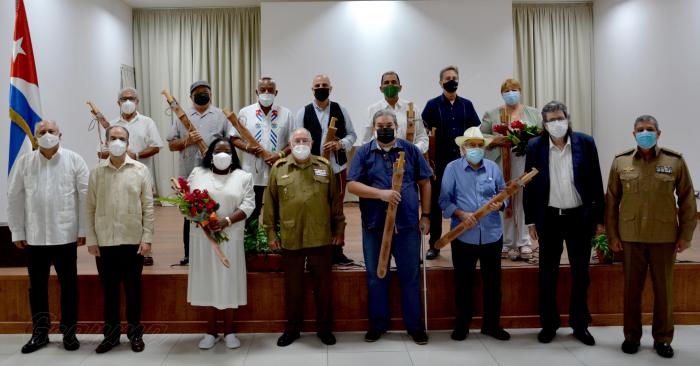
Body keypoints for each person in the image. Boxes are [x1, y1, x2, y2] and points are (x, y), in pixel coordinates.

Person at [605, 115, 696, 359]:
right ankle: (631, 337)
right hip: (630, 237)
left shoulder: (674, 161)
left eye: (650, 129)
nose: (645, 132)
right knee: (631, 291)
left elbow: (687, 199)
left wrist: (686, 235)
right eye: (640, 129)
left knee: (664, 291)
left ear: (659, 133)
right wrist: (612, 235)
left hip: (664, 237)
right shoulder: (620, 162)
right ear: (633, 134)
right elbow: (611, 202)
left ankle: (663, 339)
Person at [347, 109, 432, 345]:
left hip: (406, 226)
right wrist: (380, 194)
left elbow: (425, 182)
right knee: (376, 277)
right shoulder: (364, 152)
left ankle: (414, 326)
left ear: (396, 126)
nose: (385, 128)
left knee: (410, 276)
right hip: (375, 226)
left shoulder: (411, 150)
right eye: (380, 125)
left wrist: (425, 215)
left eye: (389, 124)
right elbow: (353, 185)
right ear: (374, 128)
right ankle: (378, 324)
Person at [523, 101, 604, 346]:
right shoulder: (535, 146)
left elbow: (596, 182)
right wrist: (530, 221)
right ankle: (549, 324)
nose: (556, 124)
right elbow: (529, 185)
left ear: (567, 119)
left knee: (582, 274)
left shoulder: (585, 143)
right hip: (549, 218)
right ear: (544, 124)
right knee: (548, 274)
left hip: (579, 217)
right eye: (550, 120)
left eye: (559, 118)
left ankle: (580, 324)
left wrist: (599, 218)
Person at [7, 120, 88, 353]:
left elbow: (85, 197)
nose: (47, 135)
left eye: (51, 131)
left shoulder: (74, 160)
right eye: (42, 132)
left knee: (69, 286)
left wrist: (82, 230)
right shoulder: (25, 163)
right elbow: (14, 198)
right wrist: (18, 231)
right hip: (35, 237)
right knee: (37, 288)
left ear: (60, 134)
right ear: (34, 137)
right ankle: (40, 333)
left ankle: (69, 333)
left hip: (65, 235)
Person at [263, 128, 346, 347]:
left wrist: (339, 230)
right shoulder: (278, 169)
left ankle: (324, 329)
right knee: (293, 287)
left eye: (305, 140)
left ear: (311, 143)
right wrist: (271, 233)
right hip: (291, 237)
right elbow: (270, 204)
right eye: (297, 140)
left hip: (321, 236)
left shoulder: (324, 167)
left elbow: (335, 203)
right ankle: (292, 329)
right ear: (290, 144)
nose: (301, 143)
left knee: (323, 287)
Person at [86, 125, 154, 353]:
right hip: (105, 242)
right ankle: (111, 336)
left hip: (133, 241)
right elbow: (90, 208)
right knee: (110, 292)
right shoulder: (96, 172)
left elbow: (148, 207)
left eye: (121, 138)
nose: (117, 142)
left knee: (133, 291)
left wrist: (147, 238)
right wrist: (92, 239)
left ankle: (135, 334)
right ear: (106, 142)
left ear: (128, 142)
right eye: (113, 138)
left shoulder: (140, 170)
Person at [440, 127, 511, 342]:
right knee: (463, 283)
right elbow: (444, 200)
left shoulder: (492, 168)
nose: (476, 149)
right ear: (463, 148)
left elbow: (504, 193)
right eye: (471, 145)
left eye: (480, 146)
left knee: (493, 284)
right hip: (463, 235)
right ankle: (462, 325)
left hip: (492, 234)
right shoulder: (452, 169)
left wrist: (501, 203)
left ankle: (491, 325)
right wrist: (461, 214)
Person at [187, 138, 255, 350]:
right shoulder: (198, 173)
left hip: (230, 237)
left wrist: (226, 221)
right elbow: (187, 201)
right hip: (203, 238)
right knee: (207, 280)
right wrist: (202, 219)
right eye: (218, 150)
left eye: (227, 150)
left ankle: (229, 331)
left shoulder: (243, 177)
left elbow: (249, 204)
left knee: (228, 281)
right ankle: (210, 331)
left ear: (233, 154)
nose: (222, 154)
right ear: (211, 154)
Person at [167, 80, 232, 265]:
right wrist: (187, 140)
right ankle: (190, 253)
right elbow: (172, 144)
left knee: (216, 210)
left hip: (215, 173)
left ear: (211, 94)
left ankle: (217, 249)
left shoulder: (220, 116)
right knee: (191, 214)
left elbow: (230, 143)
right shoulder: (182, 116)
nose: (202, 94)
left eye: (206, 92)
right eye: (198, 92)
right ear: (191, 96)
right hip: (189, 173)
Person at [293, 74, 356, 265]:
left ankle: (337, 250)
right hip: (310, 169)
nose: (321, 88)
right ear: (312, 90)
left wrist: (340, 144)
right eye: (318, 86)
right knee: (313, 208)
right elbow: (296, 141)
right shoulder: (302, 113)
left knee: (336, 210)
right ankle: (313, 250)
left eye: (325, 85)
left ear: (331, 88)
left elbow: (352, 135)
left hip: (336, 168)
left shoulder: (340, 109)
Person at [98, 87, 164, 266]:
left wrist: (136, 156)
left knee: (144, 211)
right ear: (118, 102)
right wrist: (103, 154)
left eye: (132, 98)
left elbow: (156, 146)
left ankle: (146, 249)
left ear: (137, 102)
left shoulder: (147, 122)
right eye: (124, 98)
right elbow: (105, 149)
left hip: (141, 174)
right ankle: (121, 246)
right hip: (116, 175)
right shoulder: (111, 124)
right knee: (121, 210)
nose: (128, 101)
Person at [421, 65, 481, 259]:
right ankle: (434, 244)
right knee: (439, 202)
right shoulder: (431, 105)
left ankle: (466, 241)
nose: (451, 80)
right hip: (439, 162)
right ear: (440, 82)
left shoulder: (467, 105)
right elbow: (424, 132)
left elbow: (474, 133)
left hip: (463, 162)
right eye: (447, 78)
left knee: (464, 203)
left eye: (454, 77)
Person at [480, 78, 542, 261]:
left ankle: (524, 242)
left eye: (514, 89)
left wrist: (526, 137)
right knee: (504, 199)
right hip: (502, 162)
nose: (511, 93)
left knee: (523, 200)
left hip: (525, 162)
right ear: (502, 94)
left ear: (520, 91)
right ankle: (507, 242)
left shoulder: (533, 113)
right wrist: (497, 139)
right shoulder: (492, 114)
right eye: (507, 90)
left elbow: (541, 134)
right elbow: (480, 135)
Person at [231, 77, 292, 236]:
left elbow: (293, 142)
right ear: (256, 91)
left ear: (276, 92)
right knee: (252, 208)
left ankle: (277, 240)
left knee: (278, 209)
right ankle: (251, 243)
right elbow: (233, 137)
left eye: (270, 90)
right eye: (263, 89)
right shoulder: (245, 112)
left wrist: (280, 154)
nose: (266, 93)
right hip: (252, 170)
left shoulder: (286, 114)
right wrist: (247, 147)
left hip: (278, 169)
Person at [362, 71, 429, 153]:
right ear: (381, 88)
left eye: (393, 82)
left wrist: (413, 150)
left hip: (409, 160)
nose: (390, 85)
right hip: (381, 160)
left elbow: (422, 137)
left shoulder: (412, 108)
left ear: (400, 87)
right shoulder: (372, 110)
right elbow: (366, 141)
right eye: (386, 83)